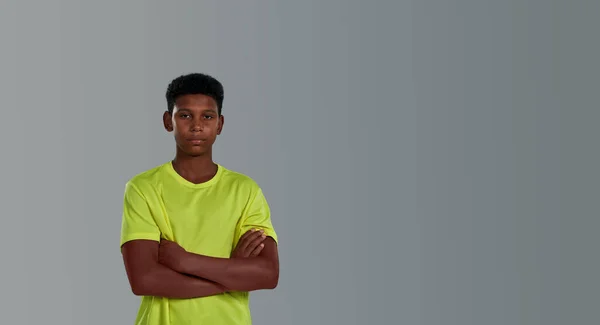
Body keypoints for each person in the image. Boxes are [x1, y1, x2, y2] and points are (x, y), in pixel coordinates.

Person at [120, 73, 279, 325]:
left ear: (220, 124)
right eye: (185, 115)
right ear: (167, 121)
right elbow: (144, 280)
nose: (196, 125)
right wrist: (231, 274)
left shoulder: (245, 190)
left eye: (207, 116)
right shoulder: (143, 188)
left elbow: (268, 274)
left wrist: (185, 261)